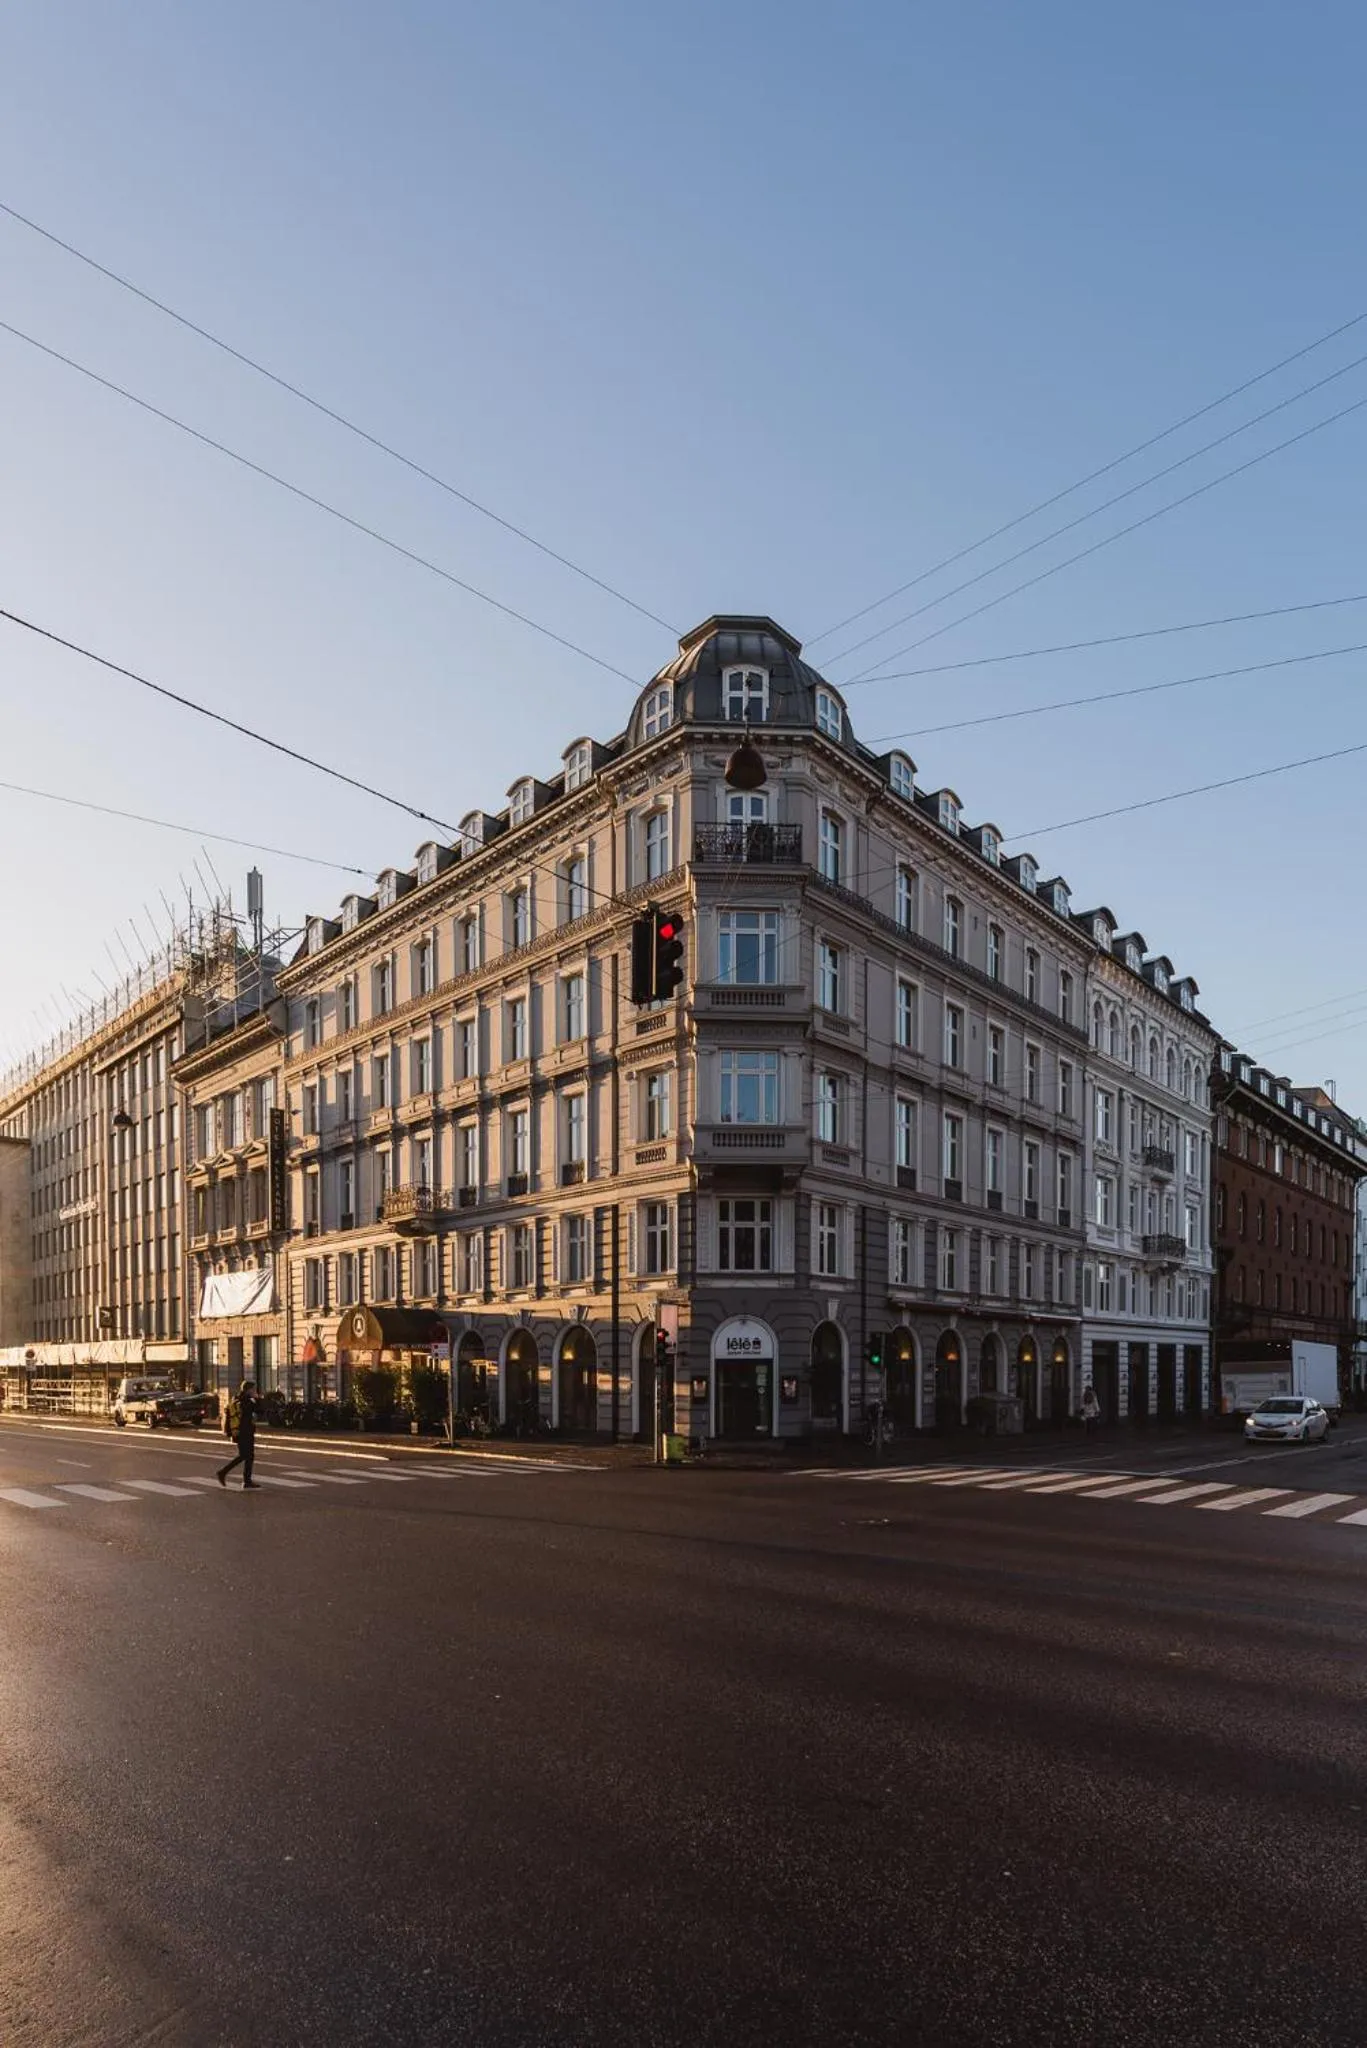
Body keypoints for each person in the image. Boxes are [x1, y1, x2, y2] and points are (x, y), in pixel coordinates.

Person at [217, 1378, 259, 1489]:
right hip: (245, 1432)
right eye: (253, 1389)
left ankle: (247, 1481)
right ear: (248, 1390)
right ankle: (223, 1472)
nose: (254, 1390)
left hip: (239, 1431)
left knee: (248, 1456)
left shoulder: (236, 1399)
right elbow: (259, 1411)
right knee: (245, 1455)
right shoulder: (248, 1401)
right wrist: (257, 1400)